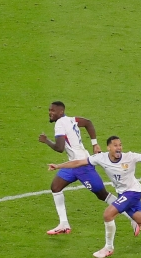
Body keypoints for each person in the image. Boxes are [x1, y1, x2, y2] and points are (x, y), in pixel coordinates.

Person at [49, 136, 141, 258]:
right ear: (109, 147)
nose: (119, 147)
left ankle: (108, 247)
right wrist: (58, 166)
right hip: (123, 193)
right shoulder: (100, 158)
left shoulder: (129, 157)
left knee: (108, 214)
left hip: (133, 192)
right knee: (140, 219)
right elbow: (77, 163)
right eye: (115, 145)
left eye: (120, 145)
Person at [39, 101, 116, 235]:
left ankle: (133, 215)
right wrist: (95, 144)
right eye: (49, 110)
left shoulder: (60, 124)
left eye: (53, 111)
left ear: (60, 112)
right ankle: (63, 223)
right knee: (55, 187)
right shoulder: (71, 120)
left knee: (102, 195)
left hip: (82, 165)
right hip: (72, 164)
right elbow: (88, 122)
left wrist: (46, 141)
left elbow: (59, 148)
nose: (50, 113)